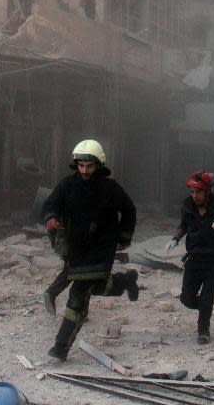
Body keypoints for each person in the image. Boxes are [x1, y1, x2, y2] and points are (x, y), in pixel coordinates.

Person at [41, 139, 138, 361]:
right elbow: (50, 206)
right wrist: (51, 219)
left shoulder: (110, 188)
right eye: (81, 166)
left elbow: (129, 210)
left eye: (90, 166)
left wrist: (124, 236)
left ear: (98, 165)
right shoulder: (66, 185)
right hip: (76, 247)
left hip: (101, 248)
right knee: (95, 286)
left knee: (78, 293)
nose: (85, 171)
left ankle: (60, 347)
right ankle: (125, 282)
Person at [165, 171, 214, 344]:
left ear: (207, 191)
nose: (195, 196)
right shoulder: (187, 205)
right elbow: (183, 225)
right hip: (193, 260)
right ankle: (206, 306)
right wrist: (175, 239)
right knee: (186, 298)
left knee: (207, 298)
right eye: (191, 192)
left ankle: (203, 330)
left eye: (198, 192)